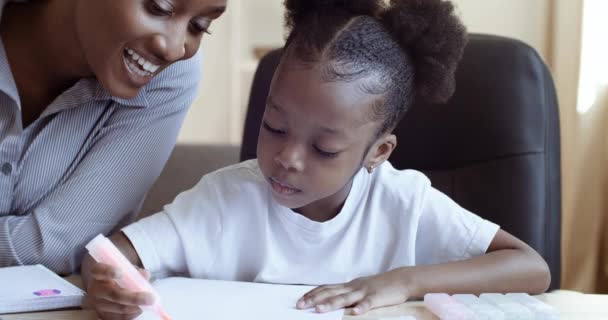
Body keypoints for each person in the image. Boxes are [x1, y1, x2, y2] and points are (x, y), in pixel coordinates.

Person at [82, 0, 551, 318]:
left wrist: (405, 281)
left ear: (378, 152)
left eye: (324, 149)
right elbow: (113, 254)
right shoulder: (225, 199)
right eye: (274, 126)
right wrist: (110, 283)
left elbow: (530, 267)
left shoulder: (404, 203)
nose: (287, 157)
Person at [0, 0, 226, 274]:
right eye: (159, 7)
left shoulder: (170, 76)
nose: (175, 48)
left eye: (199, 26)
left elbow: (54, 247)